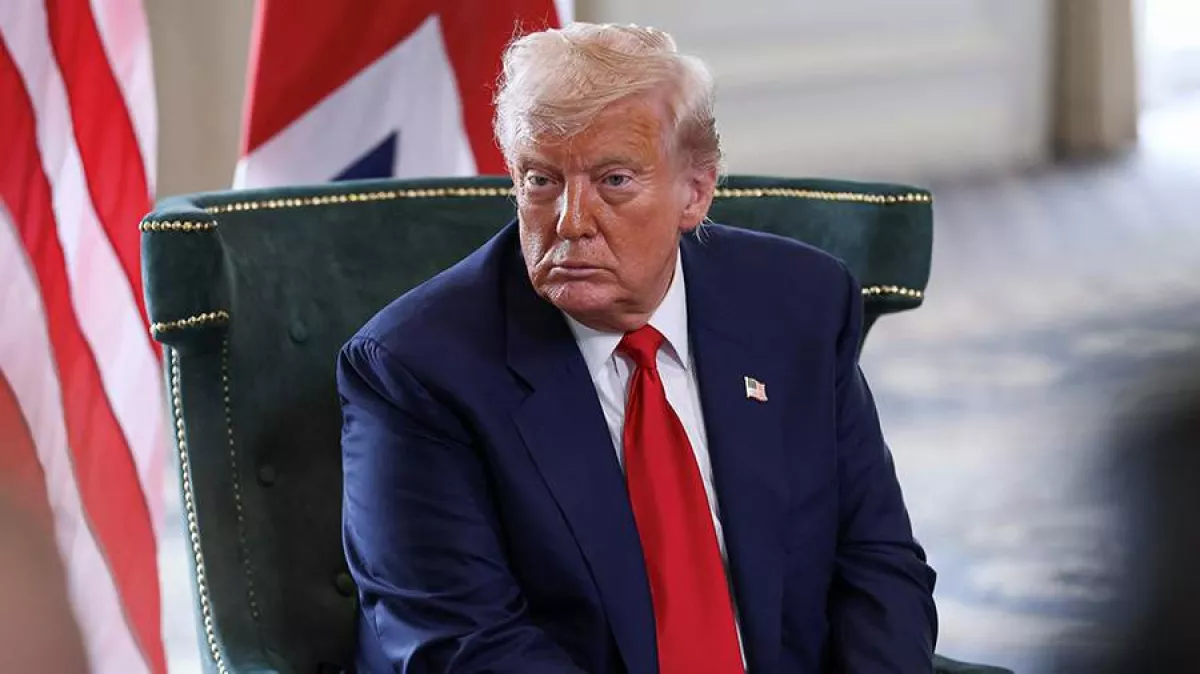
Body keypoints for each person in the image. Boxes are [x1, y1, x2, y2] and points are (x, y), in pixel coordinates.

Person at [338, 22, 937, 674]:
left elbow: (877, 563)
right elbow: (466, 645)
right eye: (541, 180)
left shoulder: (799, 304)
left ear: (695, 192)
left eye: (614, 180)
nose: (571, 221)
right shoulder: (417, 369)